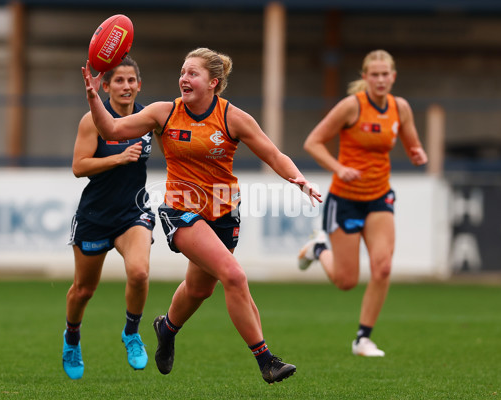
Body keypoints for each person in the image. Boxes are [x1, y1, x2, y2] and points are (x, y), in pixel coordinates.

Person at [82, 47, 322, 384]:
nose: (183, 78)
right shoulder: (163, 113)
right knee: (234, 276)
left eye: (192, 73)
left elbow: (273, 153)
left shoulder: (232, 117)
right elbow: (110, 130)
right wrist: (93, 96)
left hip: (224, 213)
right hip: (181, 210)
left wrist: (300, 180)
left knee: (198, 290)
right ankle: (266, 359)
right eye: (182, 72)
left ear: (214, 82)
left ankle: (165, 329)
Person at [297, 49, 427, 357]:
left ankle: (362, 339)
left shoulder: (400, 108)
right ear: (365, 77)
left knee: (382, 268)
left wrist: (417, 153)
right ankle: (318, 248)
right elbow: (312, 142)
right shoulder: (351, 107)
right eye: (375, 74)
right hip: (345, 200)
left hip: (380, 197)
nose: (381, 80)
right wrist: (339, 168)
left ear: (393, 77)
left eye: (386, 74)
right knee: (346, 281)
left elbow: (412, 143)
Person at [63, 56, 157, 380]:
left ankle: (132, 332)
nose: (126, 86)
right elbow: (79, 166)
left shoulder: (148, 119)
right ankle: (72, 337)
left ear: (139, 84)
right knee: (83, 290)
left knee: (140, 272)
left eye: (132, 80)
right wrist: (118, 158)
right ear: (105, 86)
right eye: (119, 81)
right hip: (95, 215)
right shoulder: (92, 120)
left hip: (133, 212)